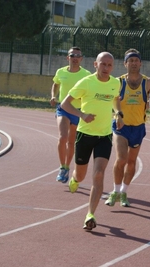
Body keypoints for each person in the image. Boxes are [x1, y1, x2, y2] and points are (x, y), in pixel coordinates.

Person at [61, 52, 123, 231]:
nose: (106, 68)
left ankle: (90, 214)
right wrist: (82, 115)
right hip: (84, 135)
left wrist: (118, 113)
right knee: (81, 174)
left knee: (99, 174)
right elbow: (65, 104)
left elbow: (115, 98)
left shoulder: (115, 83)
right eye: (103, 64)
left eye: (109, 65)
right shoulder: (86, 82)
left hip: (104, 135)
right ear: (95, 64)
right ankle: (74, 178)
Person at [104, 48, 150, 208]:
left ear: (140, 63)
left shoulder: (148, 82)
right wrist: (118, 113)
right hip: (121, 125)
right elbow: (114, 101)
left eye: (136, 60)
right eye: (131, 60)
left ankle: (124, 192)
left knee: (131, 161)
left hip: (138, 127)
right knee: (121, 158)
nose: (134, 63)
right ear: (125, 63)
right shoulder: (118, 82)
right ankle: (114, 191)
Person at [50, 47, 91, 183]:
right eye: (72, 55)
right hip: (63, 108)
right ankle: (62, 167)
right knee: (63, 137)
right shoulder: (60, 71)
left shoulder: (86, 74)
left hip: (78, 111)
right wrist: (53, 96)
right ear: (68, 58)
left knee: (71, 142)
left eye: (78, 56)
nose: (75, 58)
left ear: (81, 59)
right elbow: (55, 84)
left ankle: (67, 166)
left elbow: (90, 90)